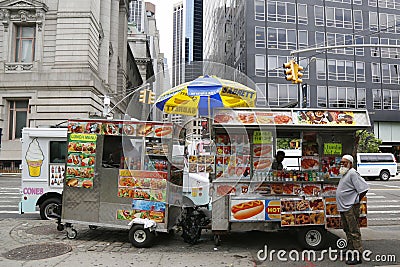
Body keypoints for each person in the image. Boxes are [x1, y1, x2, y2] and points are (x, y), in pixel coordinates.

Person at [336, 154, 369, 265]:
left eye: (345, 162)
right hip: (344, 207)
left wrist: (355, 201)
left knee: (354, 231)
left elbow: (364, 188)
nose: (342, 164)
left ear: (350, 163)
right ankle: (350, 249)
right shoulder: (345, 173)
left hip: (350, 207)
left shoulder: (353, 173)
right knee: (347, 229)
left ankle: (358, 255)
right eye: (341, 162)